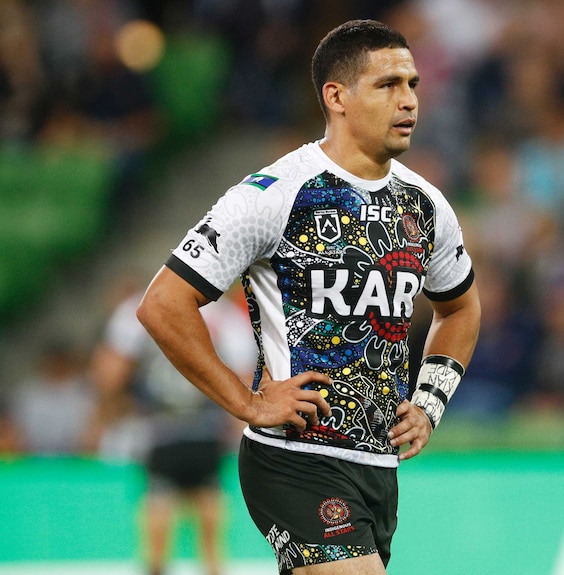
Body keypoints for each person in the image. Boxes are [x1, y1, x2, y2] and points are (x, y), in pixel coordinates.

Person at [135, 19, 481, 575]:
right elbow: (163, 304)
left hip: (377, 467)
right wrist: (246, 404)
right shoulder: (272, 194)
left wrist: (431, 398)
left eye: (412, 84)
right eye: (388, 85)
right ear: (336, 96)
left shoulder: (427, 205)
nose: (409, 101)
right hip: (293, 459)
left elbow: (460, 307)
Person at [90, 286, 256, 575]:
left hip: (160, 428)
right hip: (206, 429)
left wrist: (107, 414)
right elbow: (243, 373)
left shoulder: (138, 308)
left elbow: (110, 373)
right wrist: (242, 425)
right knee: (211, 537)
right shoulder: (223, 315)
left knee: (158, 523)